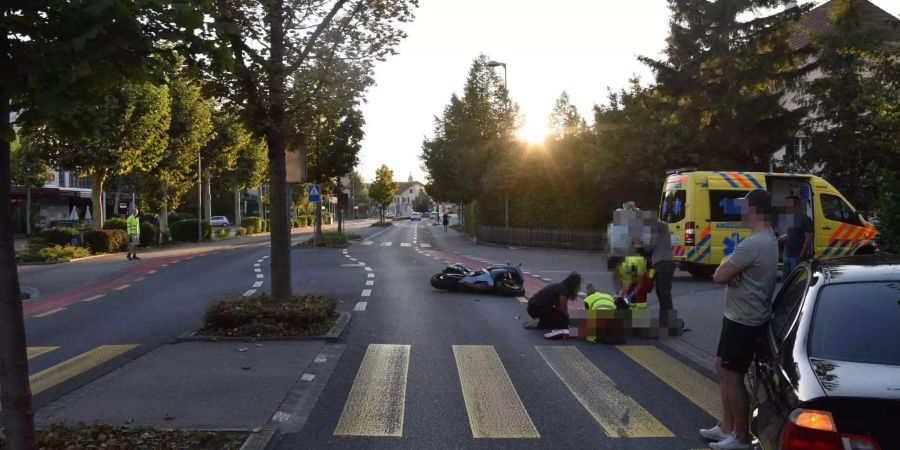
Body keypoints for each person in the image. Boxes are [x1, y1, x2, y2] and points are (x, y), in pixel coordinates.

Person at [702, 189, 778, 450]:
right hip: (737, 316)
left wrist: (729, 270)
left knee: (733, 375)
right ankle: (726, 426)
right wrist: (730, 267)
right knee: (721, 365)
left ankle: (741, 437)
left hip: (745, 320)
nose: (742, 211)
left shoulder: (754, 243)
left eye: (744, 206)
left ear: (753, 209)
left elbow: (719, 275)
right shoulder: (761, 240)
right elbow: (727, 267)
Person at [778, 195, 813, 278]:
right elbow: (791, 234)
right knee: (786, 280)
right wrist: (783, 237)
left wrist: (801, 255)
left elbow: (809, 238)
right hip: (787, 254)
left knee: (795, 280)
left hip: (796, 256)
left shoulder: (805, 219)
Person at [650, 218, 677, 326]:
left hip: (665, 263)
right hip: (660, 264)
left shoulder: (663, 227)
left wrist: (635, 210)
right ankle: (665, 321)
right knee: (661, 293)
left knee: (664, 293)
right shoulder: (655, 236)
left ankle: (669, 322)